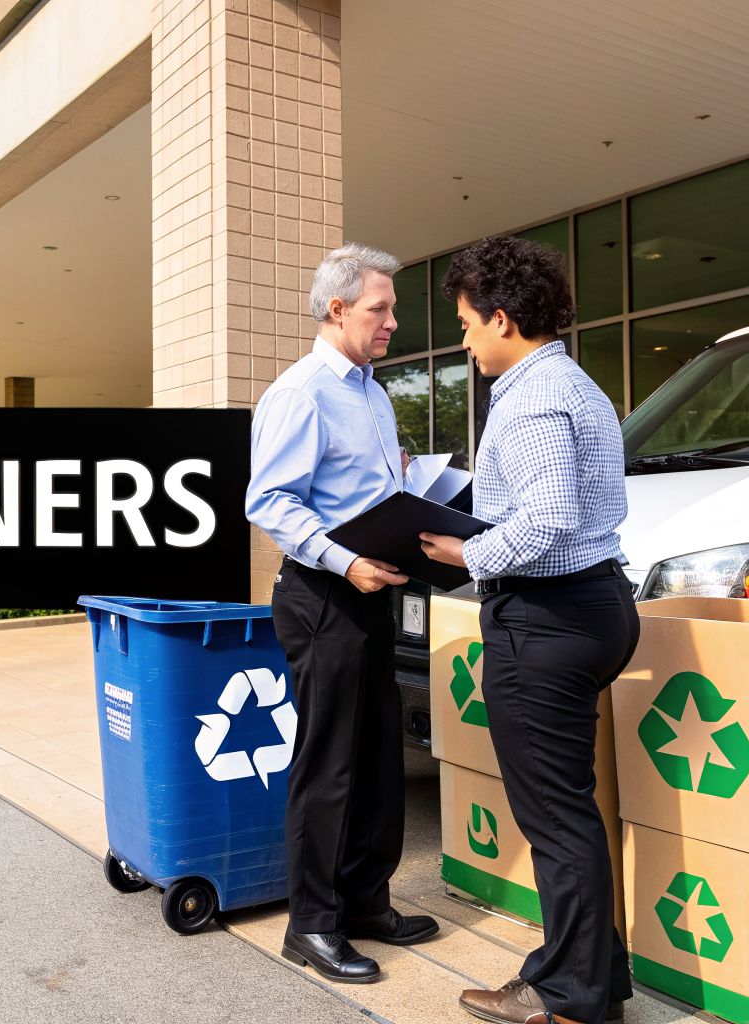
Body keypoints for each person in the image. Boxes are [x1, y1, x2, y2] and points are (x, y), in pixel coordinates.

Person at [418, 236, 638, 1024]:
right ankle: (590, 978)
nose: (466, 341)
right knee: (569, 810)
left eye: (469, 325)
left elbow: (547, 519)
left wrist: (464, 549)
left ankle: (571, 998)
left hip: (547, 621)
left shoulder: (535, 397)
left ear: (504, 318)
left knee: (556, 817)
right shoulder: (574, 385)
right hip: (592, 607)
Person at [245, 241, 440, 985]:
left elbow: (363, 488)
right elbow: (269, 501)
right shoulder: (301, 393)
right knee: (327, 766)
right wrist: (347, 561)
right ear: (336, 309)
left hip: (373, 595)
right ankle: (312, 925)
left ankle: (365, 901)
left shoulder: (371, 391)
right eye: (379, 309)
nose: (393, 321)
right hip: (325, 597)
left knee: (378, 760)